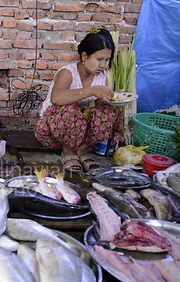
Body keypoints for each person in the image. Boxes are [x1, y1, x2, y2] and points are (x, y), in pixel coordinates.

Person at [34, 27, 124, 173]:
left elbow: (97, 106)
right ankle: (68, 151)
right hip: (52, 132)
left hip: (80, 133)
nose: (103, 65)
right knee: (70, 107)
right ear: (84, 56)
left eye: (107, 60)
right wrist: (92, 90)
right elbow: (56, 99)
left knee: (110, 109)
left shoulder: (101, 76)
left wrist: (111, 97)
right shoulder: (68, 73)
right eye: (99, 59)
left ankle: (82, 150)